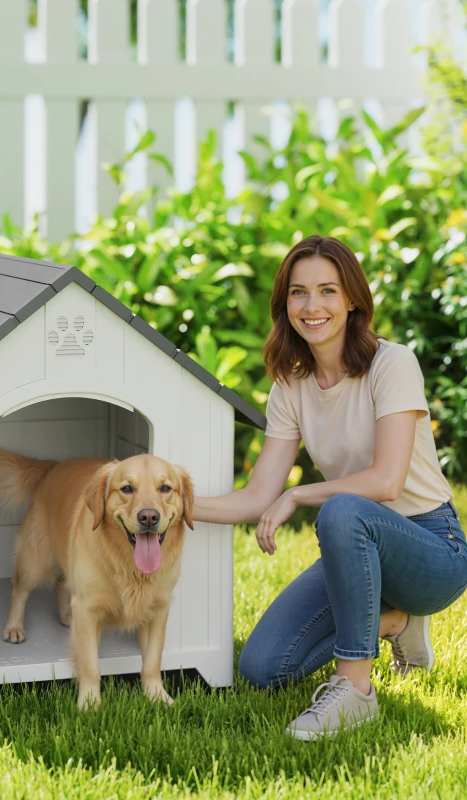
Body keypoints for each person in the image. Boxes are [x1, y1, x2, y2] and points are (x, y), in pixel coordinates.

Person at [192, 234, 467, 740]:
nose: (311, 306)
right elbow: (257, 496)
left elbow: (386, 481)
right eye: (298, 293)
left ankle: (355, 690)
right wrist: (172, 506)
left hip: (431, 548)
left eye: (327, 291)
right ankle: (394, 622)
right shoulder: (290, 385)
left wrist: (298, 494)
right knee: (263, 667)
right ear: (285, 304)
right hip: (355, 549)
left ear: (352, 300)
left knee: (341, 508)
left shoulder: (392, 363)